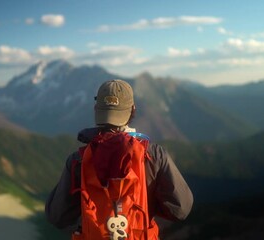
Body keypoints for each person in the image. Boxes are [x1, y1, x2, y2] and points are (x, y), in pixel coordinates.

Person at [45, 79, 193, 238]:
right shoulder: (153, 155)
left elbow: (57, 216)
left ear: (97, 109)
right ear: (133, 110)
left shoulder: (78, 160)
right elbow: (180, 209)